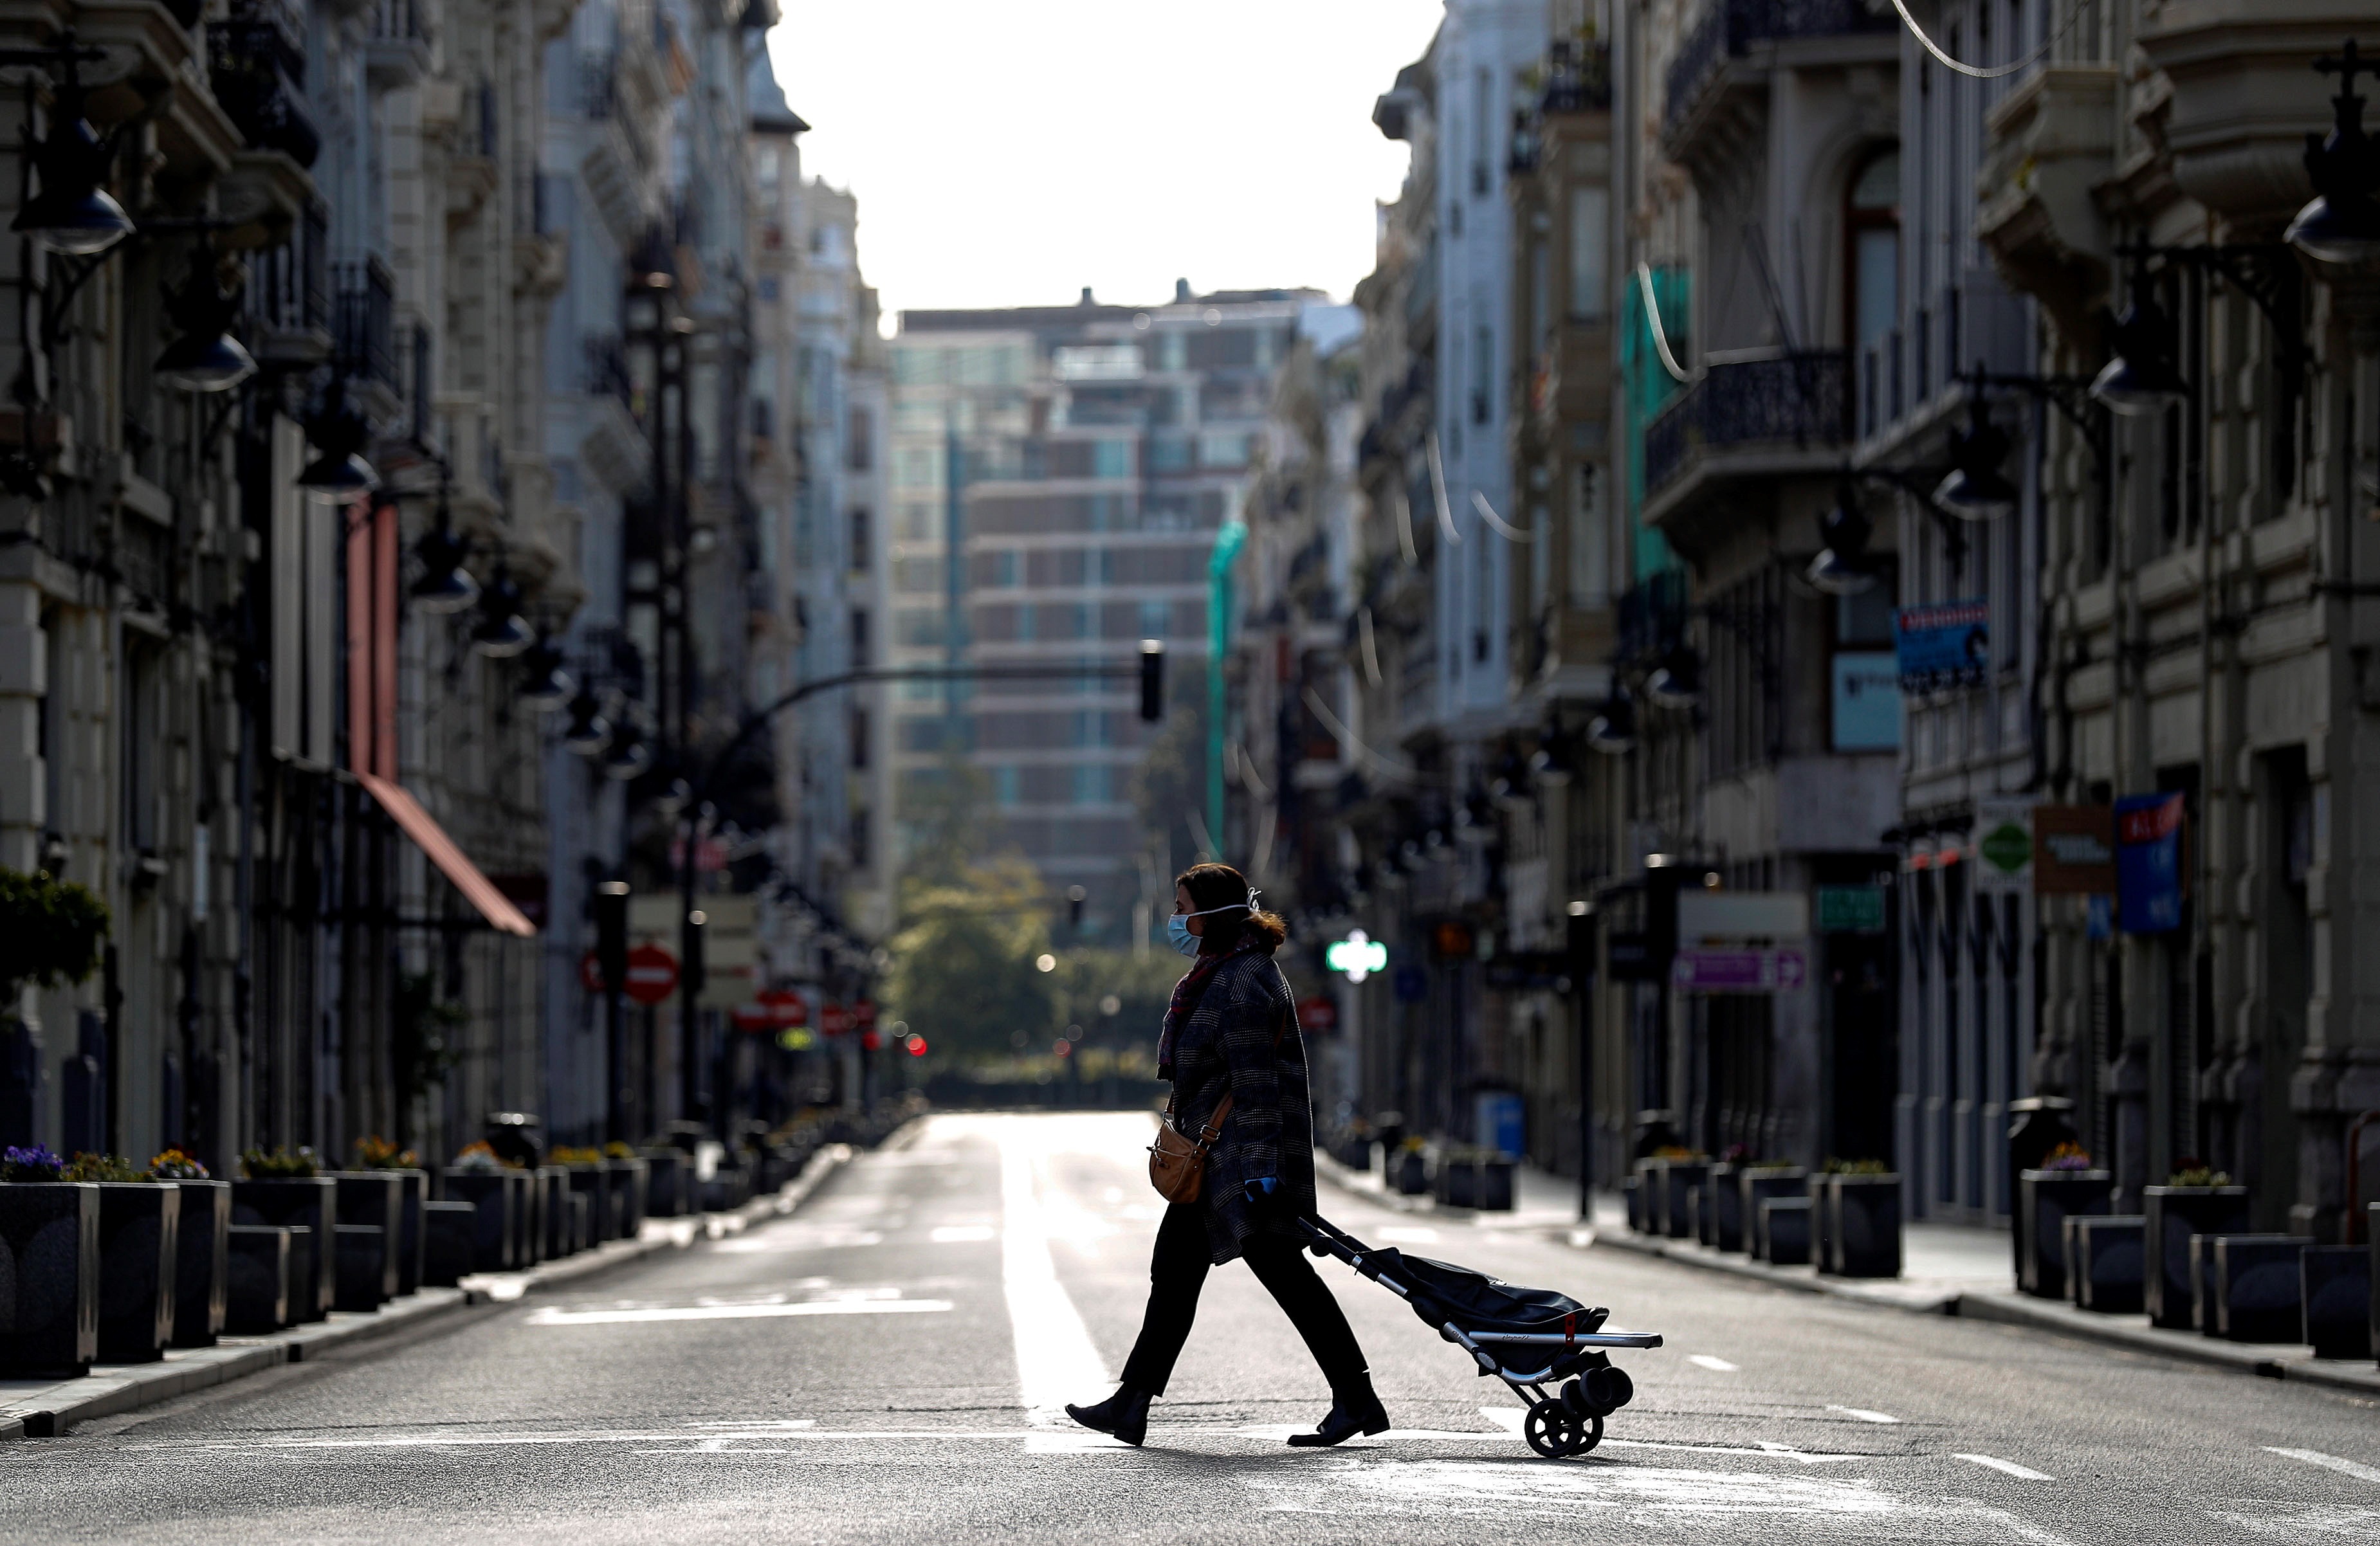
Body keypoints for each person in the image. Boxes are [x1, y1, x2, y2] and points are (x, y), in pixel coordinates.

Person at [1065, 862, 1389, 1450]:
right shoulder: (1221, 972)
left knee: (1258, 1277)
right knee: (1197, 1277)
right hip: (1223, 1160)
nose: (1178, 919)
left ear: (1213, 914)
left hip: (1239, 1164)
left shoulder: (1243, 981)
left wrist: (1264, 1168)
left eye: (1184, 907)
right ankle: (1134, 1401)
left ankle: (1354, 1397)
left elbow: (1258, 1080)